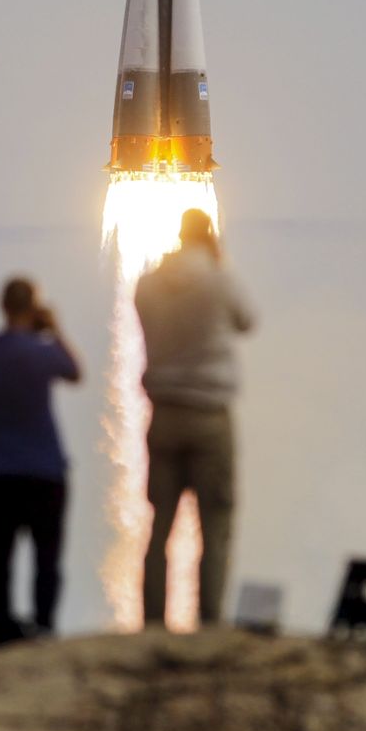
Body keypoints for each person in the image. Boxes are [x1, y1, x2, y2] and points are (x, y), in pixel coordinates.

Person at [135, 209, 255, 626]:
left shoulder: (148, 284)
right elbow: (248, 320)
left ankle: (152, 621)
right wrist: (220, 263)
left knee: (159, 524)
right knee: (215, 522)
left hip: (162, 414)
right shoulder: (220, 280)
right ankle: (209, 621)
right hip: (209, 416)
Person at [0, 278, 82, 641]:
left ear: (2, 307)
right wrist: (54, 329)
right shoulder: (42, 353)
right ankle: (44, 626)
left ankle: (0, 623)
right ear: (33, 308)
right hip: (44, 470)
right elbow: (74, 371)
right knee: (46, 558)